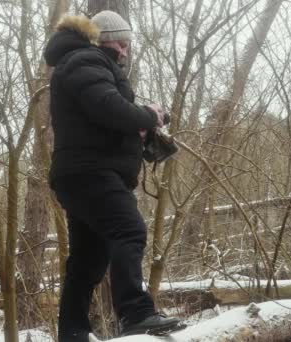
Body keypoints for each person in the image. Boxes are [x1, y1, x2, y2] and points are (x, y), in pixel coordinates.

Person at [44, 10, 183, 342]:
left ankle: (73, 333)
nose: (126, 51)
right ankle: (136, 314)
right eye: (123, 43)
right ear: (107, 40)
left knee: (88, 261)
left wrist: (142, 131)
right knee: (130, 230)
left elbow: (104, 116)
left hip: (80, 174)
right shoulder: (85, 61)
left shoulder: (81, 63)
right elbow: (108, 107)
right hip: (91, 173)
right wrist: (148, 116)